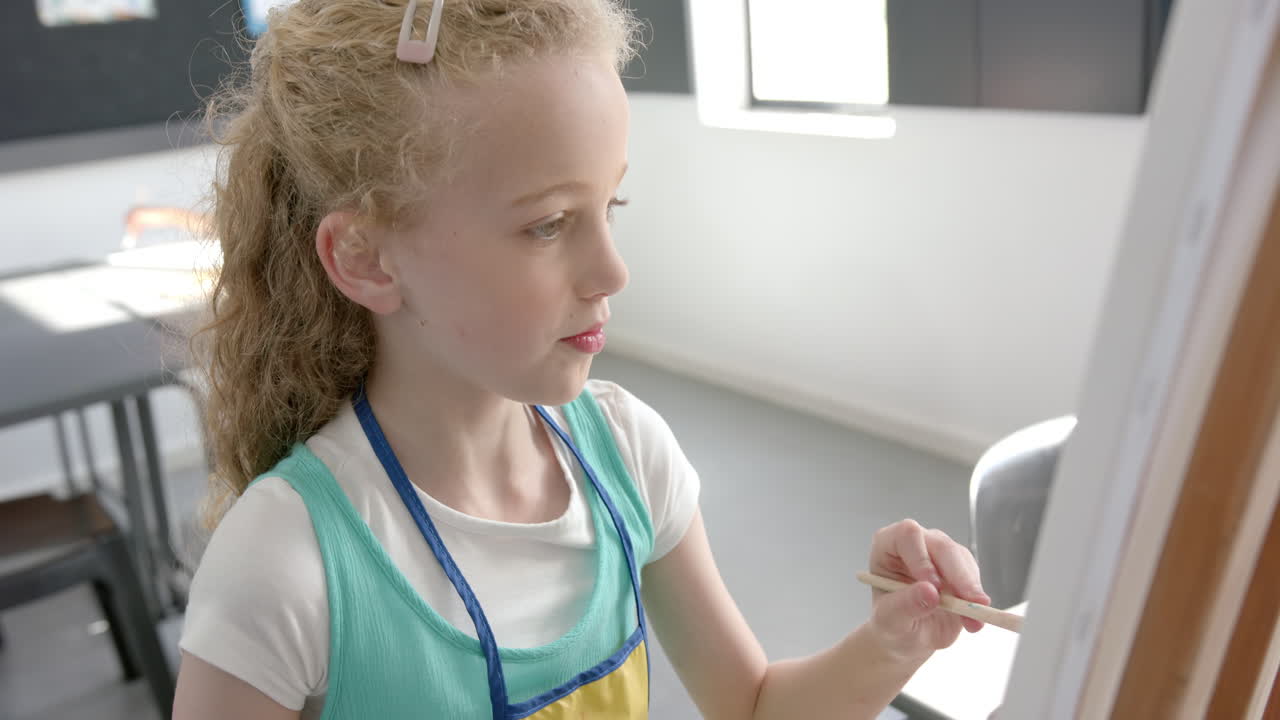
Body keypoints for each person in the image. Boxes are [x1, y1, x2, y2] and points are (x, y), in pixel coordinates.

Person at [172, 1, 991, 718]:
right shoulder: (286, 562)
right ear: (365, 258)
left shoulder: (628, 456)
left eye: (611, 206)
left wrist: (894, 642)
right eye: (548, 224)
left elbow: (750, 707)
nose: (613, 271)